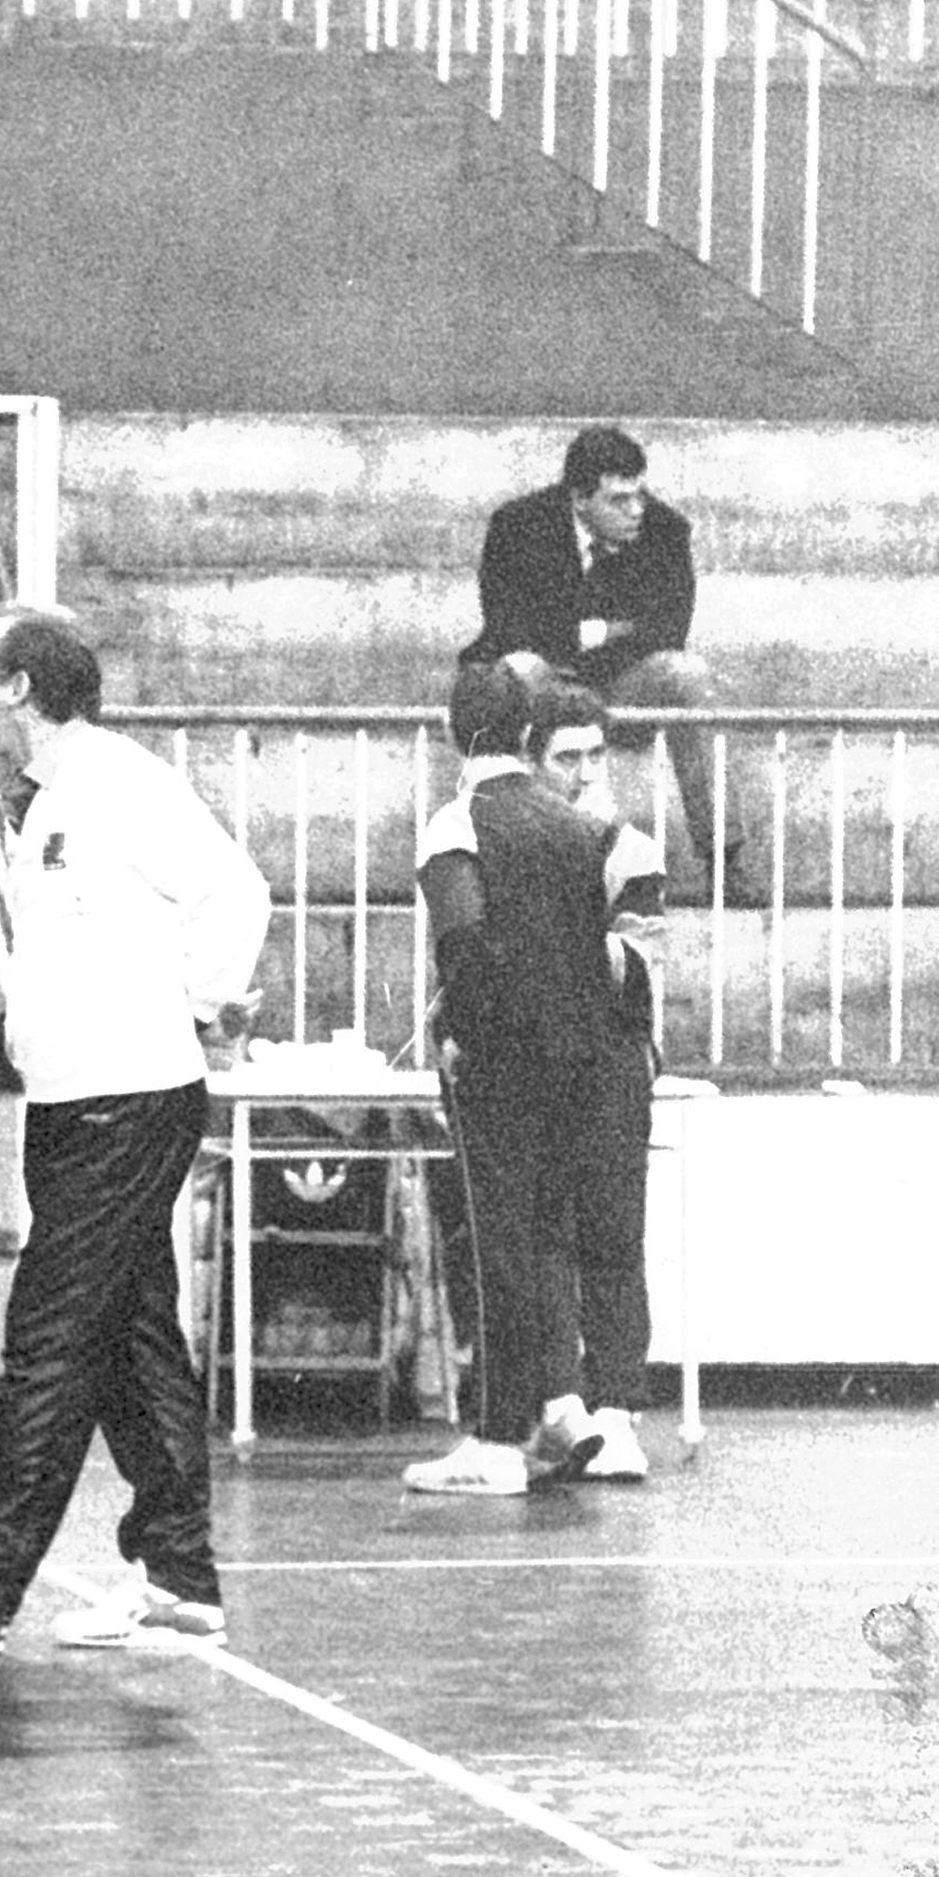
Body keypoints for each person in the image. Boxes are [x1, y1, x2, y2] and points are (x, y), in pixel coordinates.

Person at [0, 605, 270, 1654]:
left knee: (50, 1337)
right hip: (78, 1103)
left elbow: (236, 892)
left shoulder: (120, 784)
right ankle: (176, 1577)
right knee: (130, 1338)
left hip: (127, 1100)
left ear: (21, 688)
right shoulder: (50, 796)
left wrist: (198, 1009)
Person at [403, 659, 637, 1495]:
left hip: (500, 1069)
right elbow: (595, 955)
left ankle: (498, 1440)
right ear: (528, 734)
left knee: (496, 1247)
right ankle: (552, 1412)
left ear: (452, 732)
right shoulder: (578, 827)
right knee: (546, 1243)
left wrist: (463, 1036)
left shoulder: (455, 824)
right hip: (578, 1064)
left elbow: (464, 941)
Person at [462, 425, 742, 894]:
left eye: (639, 495)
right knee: (513, 670)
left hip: (619, 684)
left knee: (684, 673)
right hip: (544, 683)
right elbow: (507, 625)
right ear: (579, 498)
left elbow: (667, 631)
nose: (636, 511)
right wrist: (601, 630)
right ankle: (495, 854)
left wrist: (570, 634)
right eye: (618, 500)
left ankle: (724, 857)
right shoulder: (518, 525)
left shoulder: (665, 531)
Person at [523, 678, 663, 1485]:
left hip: (610, 1056)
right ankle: (560, 1404)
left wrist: (583, 865)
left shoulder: (631, 849)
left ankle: (618, 1410)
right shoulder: (506, 843)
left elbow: (634, 968)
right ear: (532, 762)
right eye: (564, 757)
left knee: (614, 1232)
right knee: (544, 1236)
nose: (582, 773)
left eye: (594, 755)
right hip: (536, 1061)